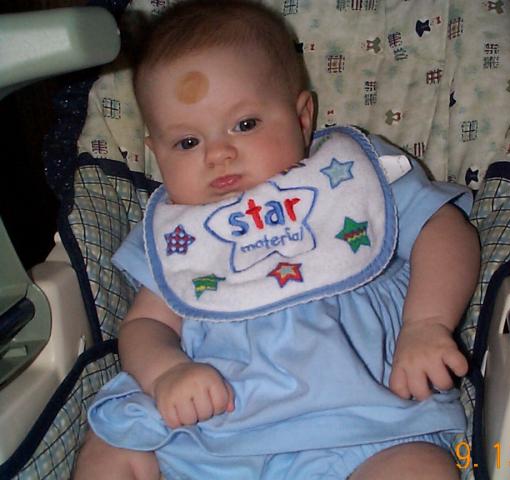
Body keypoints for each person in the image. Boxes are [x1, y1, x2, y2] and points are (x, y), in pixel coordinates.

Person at [74, 1, 480, 478]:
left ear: (303, 117)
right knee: (113, 446)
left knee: (421, 470)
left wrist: (427, 324)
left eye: (245, 124)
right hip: (210, 434)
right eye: (187, 142)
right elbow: (145, 324)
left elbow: (442, 230)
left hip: (365, 426)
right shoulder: (180, 233)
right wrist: (167, 372)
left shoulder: (350, 178)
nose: (218, 154)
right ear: (156, 151)